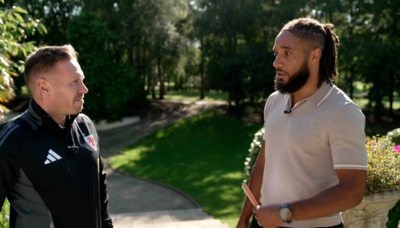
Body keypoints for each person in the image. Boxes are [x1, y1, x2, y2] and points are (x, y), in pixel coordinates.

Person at [236, 18, 367, 228]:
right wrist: (244, 218)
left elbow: (352, 191)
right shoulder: (274, 101)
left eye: (287, 53)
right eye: (276, 53)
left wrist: (285, 213)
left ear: (315, 55)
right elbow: (263, 163)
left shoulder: (343, 111)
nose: (277, 62)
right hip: (263, 224)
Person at [0, 44, 113, 228]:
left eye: (82, 80)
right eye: (74, 82)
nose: (84, 88)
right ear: (44, 87)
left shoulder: (86, 126)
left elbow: (100, 185)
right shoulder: (15, 138)